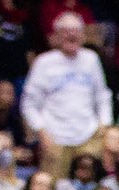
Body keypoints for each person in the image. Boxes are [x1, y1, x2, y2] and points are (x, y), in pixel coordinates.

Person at [22, 16, 110, 178]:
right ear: (56, 36)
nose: (72, 35)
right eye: (66, 31)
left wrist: (104, 125)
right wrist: (41, 131)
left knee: (91, 189)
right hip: (54, 137)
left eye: (76, 31)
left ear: (83, 36)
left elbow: (102, 96)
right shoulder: (44, 63)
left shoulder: (91, 59)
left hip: (88, 135)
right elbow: (29, 104)